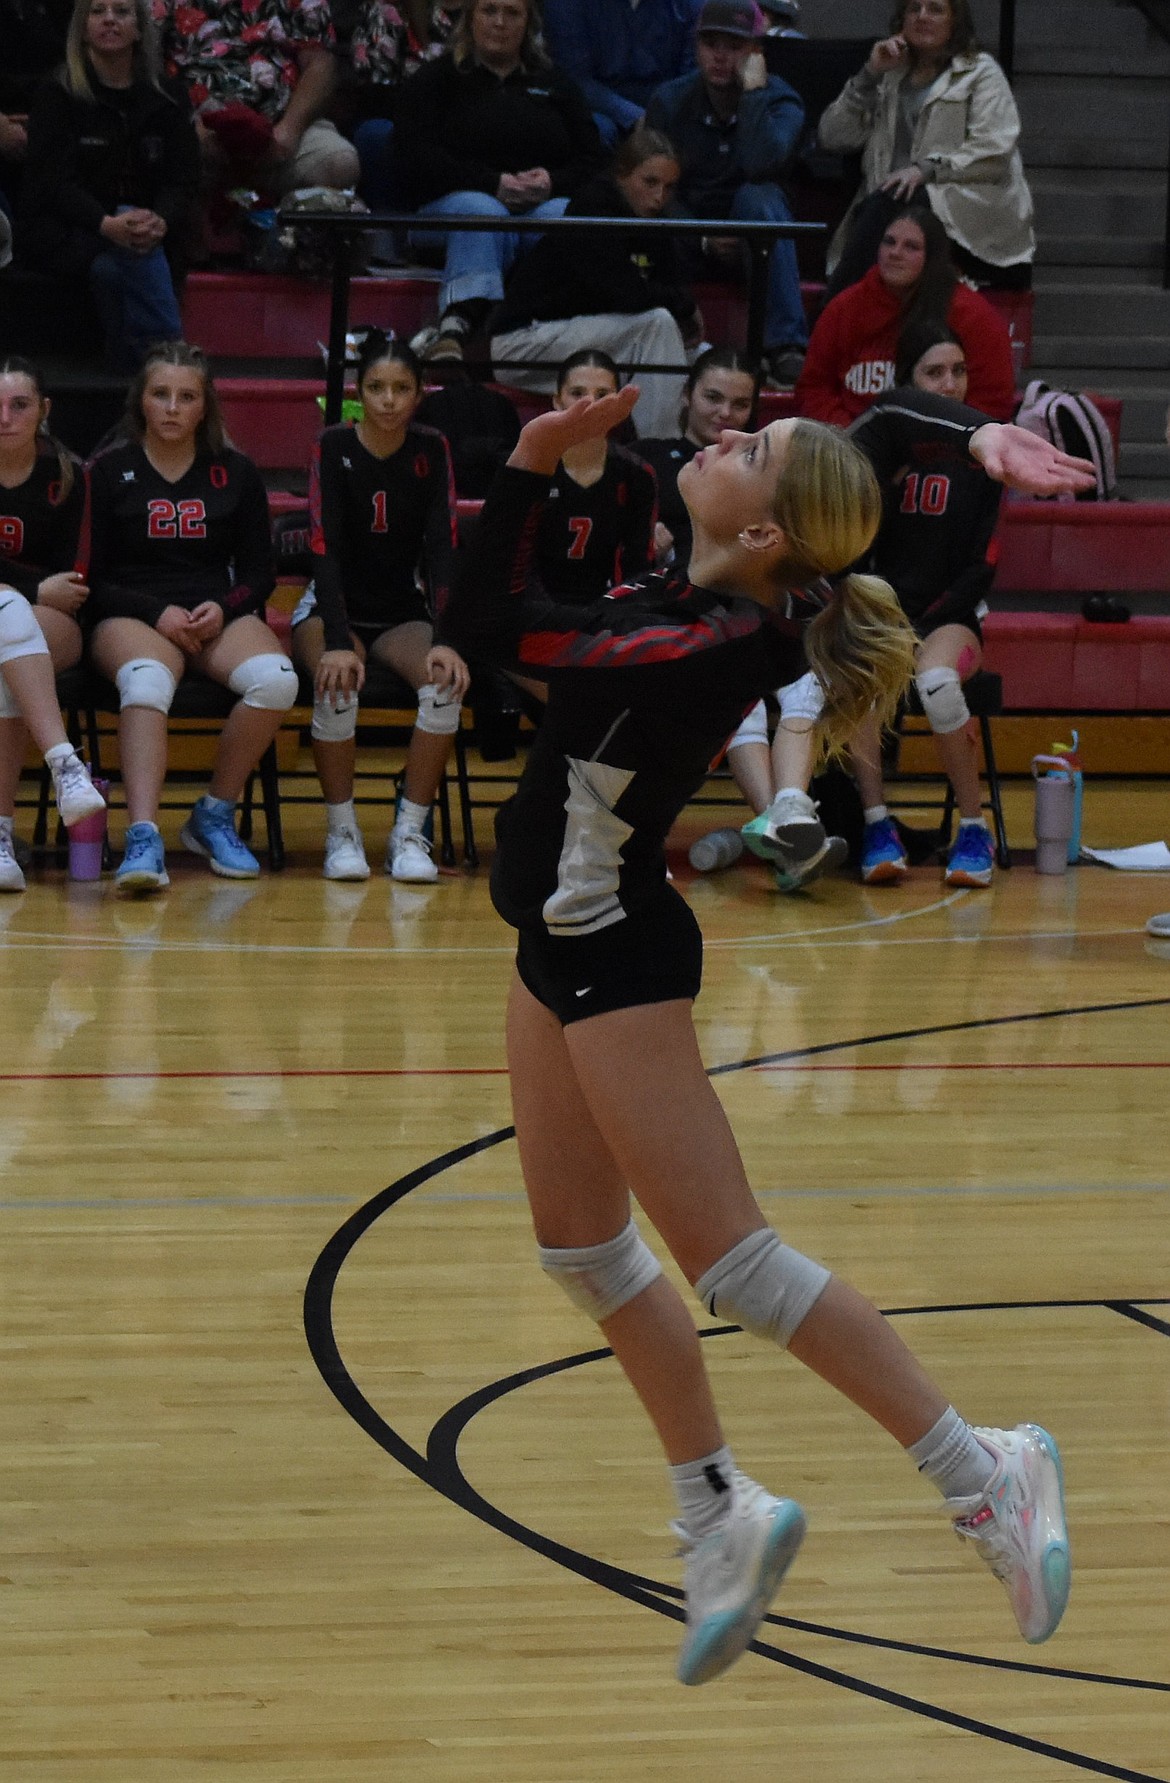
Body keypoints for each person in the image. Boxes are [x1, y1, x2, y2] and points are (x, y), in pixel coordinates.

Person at [441, 381, 1088, 1686]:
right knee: (580, 1247)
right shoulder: (730, 598)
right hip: (552, 944)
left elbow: (480, 628)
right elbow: (867, 446)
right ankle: (715, 1511)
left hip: (610, 947)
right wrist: (955, 434)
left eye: (753, 451)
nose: (725, 438)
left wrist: (520, 460)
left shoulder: (698, 642)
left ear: (761, 537)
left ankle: (983, 1471)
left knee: (732, 1263)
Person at [83, 342, 297, 894]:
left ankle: (214, 813)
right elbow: (90, 577)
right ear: (141, 403)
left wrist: (223, 608)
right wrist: (156, 613)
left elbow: (259, 573)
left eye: (186, 396)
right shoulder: (106, 472)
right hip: (131, 610)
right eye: (161, 395)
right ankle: (143, 834)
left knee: (276, 682)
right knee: (148, 680)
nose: (173, 407)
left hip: (211, 609)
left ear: (205, 407)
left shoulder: (236, 471)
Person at [294, 333, 469, 883]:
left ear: (420, 393)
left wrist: (445, 635)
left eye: (401, 388)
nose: (389, 400)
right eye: (376, 388)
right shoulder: (332, 445)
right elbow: (324, 548)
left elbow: (442, 545)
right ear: (357, 391)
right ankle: (341, 832)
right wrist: (340, 642)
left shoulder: (431, 448)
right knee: (338, 683)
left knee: (443, 683)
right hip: (330, 606)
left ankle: (408, 831)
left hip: (399, 607)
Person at [393, 0, 603, 362]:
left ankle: (548, 325)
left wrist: (552, 182)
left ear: (528, 23)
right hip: (448, 209)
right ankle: (457, 323)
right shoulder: (435, 80)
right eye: (489, 11)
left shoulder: (556, 84)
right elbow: (412, 157)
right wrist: (491, 183)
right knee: (483, 210)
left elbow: (594, 160)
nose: (500, 23)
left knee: (567, 213)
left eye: (512, 13)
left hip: (538, 207)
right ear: (470, 19)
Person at [21, 0, 198, 371]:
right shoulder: (57, 92)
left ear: (139, 29)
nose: (109, 20)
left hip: (146, 232)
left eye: (121, 12)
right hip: (72, 228)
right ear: (82, 27)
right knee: (130, 240)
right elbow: (51, 183)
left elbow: (182, 178)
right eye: (98, 11)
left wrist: (161, 219)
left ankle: (138, 372)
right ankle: (173, 361)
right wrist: (107, 224)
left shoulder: (167, 97)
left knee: (112, 270)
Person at [491, 129, 702, 439]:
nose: (659, 196)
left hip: (586, 338)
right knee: (657, 326)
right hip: (523, 344)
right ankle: (660, 453)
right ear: (622, 175)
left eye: (669, 187)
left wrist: (680, 305)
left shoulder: (654, 218)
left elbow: (664, 285)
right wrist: (685, 305)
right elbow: (626, 294)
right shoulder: (594, 206)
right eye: (650, 182)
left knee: (703, 358)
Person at [818, 0, 1034, 297]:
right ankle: (840, 324)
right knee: (887, 202)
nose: (922, 17)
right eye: (914, 8)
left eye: (935, 9)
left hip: (964, 212)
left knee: (894, 198)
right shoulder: (889, 73)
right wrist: (869, 75)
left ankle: (829, 322)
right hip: (889, 209)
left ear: (954, 20)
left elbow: (993, 151)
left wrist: (925, 170)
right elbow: (832, 137)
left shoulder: (981, 72)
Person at [645, 0, 808, 388]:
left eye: (733, 46)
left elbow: (759, 164)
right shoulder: (669, 101)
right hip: (685, 237)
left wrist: (752, 96)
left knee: (758, 196)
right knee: (652, 193)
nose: (719, 56)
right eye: (710, 44)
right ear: (696, 48)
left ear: (756, 52)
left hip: (758, 242)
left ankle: (785, 345)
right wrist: (701, 235)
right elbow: (652, 185)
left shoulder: (783, 102)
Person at [0, 357, 106, 893]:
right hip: (31, 612)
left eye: (18, 405)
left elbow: (77, 577)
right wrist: (32, 587)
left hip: (55, 624)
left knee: (7, 623)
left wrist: (25, 593)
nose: (4, 417)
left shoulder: (68, 474)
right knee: (8, 623)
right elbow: (48, 583)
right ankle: (66, 766)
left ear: (44, 410)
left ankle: (0, 837)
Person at [795, 204, 1015, 427]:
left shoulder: (972, 316)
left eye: (911, 246)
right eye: (889, 242)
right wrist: (853, 442)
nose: (895, 253)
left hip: (944, 450)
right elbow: (814, 388)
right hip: (852, 448)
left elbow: (992, 401)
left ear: (933, 256)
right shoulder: (844, 309)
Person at [151, 0, 360, 201]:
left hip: (282, 122)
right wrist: (188, 131)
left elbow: (321, 64)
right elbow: (146, 64)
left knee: (340, 163)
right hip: (191, 127)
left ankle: (291, 233)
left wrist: (287, 132)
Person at [535, 351, 657, 605]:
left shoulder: (637, 475)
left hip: (606, 611)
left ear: (620, 406)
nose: (590, 403)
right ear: (557, 401)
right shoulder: (530, 467)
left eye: (602, 395)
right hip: (535, 611)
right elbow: (512, 564)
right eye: (577, 393)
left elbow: (637, 568)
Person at [639, 345, 758, 573]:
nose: (725, 412)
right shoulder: (645, 457)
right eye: (713, 397)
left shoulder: (763, 472)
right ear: (687, 394)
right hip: (653, 594)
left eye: (740, 404)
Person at [542, 0, 703, 145]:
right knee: (596, 130)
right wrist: (635, 117)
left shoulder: (690, 4)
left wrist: (663, 114)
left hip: (669, 105)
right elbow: (574, 78)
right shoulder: (566, 4)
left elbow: (692, 74)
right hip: (599, 107)